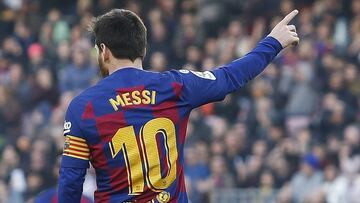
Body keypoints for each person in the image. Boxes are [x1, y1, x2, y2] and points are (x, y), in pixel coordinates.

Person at [58, 8, 299, 203]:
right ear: (143, 48)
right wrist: (273, 42)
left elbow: (71, 180)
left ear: (104, 51)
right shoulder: (174, 86)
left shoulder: (83, 106)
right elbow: (229, 78)